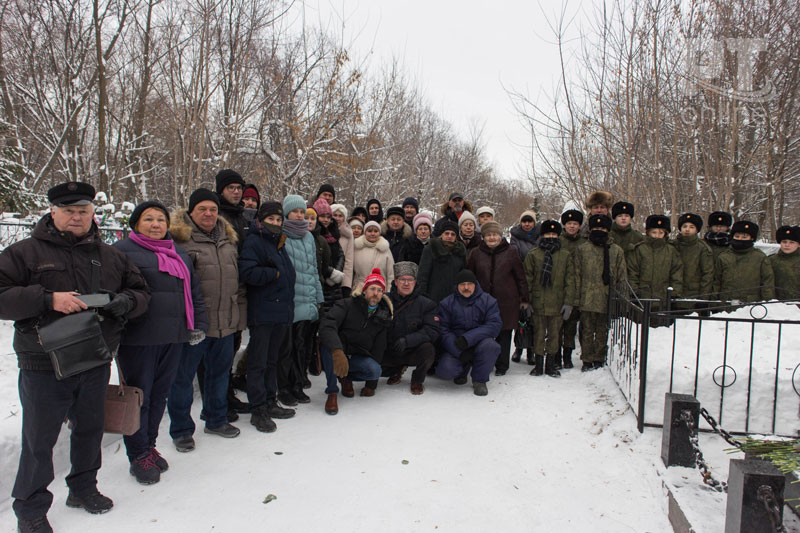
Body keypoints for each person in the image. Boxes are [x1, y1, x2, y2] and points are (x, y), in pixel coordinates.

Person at [0, 181, 149, 531]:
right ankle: (31, 509)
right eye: (68, 210)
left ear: (93, 213)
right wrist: (47, 299)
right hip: (43, 361)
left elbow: (140, 291)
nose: (76, 217)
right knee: (40, 439)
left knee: (89, 429)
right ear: (52, 212)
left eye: (83, 210)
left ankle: (83, 488)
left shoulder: (110, 255)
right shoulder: (24, 253)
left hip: (94, 357)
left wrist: (123, 302)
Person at [114, 201, 208, 485]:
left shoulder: (177, 253)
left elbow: (194, 291)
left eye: (160, 220)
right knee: (138, 398)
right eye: (148, 219)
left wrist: (198, 325)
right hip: (139, 338)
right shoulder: (122, 252)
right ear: (135, 224)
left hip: (173, 335)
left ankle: (149, 445)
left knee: (158, 396)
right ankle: (137, 454)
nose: (156, 224)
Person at [168, 188, 247, 450]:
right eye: (202, 209)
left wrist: (238, 316)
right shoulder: (179, 240)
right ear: (191, 211)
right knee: (183, 379)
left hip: (225, 321)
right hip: (194, 324)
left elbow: (239, 283)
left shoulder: (228, 239)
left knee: (219, 374)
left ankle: (216, 419)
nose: (208, 213)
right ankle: (181, 430)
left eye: (213, 209)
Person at [238, 201, 297, 433]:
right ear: (260, 221)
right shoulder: (255, 241)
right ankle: (258, 407)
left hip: (281, 311)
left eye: (278, 220)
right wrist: (273, 273)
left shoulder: (279, 242)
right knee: (258, 362)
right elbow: (247, 271)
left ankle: (270, 400)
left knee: (272, 360)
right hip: (263, 312)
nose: (275, 223)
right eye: (270, 219)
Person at [319, 268, 393, 414]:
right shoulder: (347, 304)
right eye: (372, 288)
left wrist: (371, 386)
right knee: (328, 349)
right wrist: (337, 350)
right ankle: (332, 392)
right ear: (364, 290)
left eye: (380, 290)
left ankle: (345, 377)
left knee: (375, 370)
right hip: (338, 350)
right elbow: (327, 324)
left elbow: (379, 348)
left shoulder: (383, 316)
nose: (375, 293)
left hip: (357, 355)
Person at [277, 195, 325, 406]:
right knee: (285, 348)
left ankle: (297, 384)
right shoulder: (281, 235)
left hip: (307, 299)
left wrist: (318, 297)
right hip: (289, 301)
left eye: (302, 212)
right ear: (287, 213)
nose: (299, 215)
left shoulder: (308, 237)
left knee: (301, 346)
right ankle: (284, 387)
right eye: (295, 211)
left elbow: (314, 270)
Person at [466, 221, 529, 376]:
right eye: (488, 235)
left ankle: (502, 365)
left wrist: (524, 299)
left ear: (500, 236)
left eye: (495, 234)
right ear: (484, 237)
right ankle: (483, 361)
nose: (492, 237)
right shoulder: (475, 253)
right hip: (481, 301)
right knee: (482, 333)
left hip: (506, 301)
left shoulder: (511, 252)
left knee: (504, 334)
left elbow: (520, 277)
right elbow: (469, 276)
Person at [573, 214, 627, 371]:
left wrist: (620, 298)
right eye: (596, 228)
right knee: (587, 330)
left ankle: (599, 357)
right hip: (587, 297)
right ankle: (587, 359)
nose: (599, 231)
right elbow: (576, 275)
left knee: (602, 330)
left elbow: (621, 276)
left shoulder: (616, 251)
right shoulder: (582, 250)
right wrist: (576, 298)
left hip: (606, 297)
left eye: (602, 228)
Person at [435, 270, 503, 396]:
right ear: (457, 286)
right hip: (457, 344)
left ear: (475, 284)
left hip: (480, 343)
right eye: (462, 284)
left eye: (469, 284)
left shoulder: (488, 301)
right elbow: (443, 329)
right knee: (445, 371)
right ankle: (462, 370)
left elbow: (494, 325)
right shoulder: (447, 303)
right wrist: (458, 350)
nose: (466, 288)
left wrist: (468, 339)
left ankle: (479, 380)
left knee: (491, 346)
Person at [524, 220, 575, 377]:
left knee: (554, 335)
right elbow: (527, 279)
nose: (550, 237)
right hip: (538, 302)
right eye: (547, 234)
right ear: (542, 235)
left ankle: (551, 365)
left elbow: (570, 280)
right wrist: (527, 301)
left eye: (553, 234)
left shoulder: (565, 256)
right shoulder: (533, 255)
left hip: (557, 303)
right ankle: (538, 364)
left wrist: (569, 302)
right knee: (538, 334)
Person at [382, 262, 440, 394]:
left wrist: (407, 341)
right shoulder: (383, 301)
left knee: (428, 350)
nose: (406, 283)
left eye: (410, 280)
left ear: (415, 282)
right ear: (396, 282)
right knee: (373, 366)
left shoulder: (426, 304)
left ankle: (417, 380)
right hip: (390, 349)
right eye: (402, 279)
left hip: (413, 349)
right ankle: (395, 370)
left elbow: (432, 330)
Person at [627, 215, 683, 326]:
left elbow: (676, 273)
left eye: (661, 233)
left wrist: (674, 292)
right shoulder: (639, 250)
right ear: (648, 232)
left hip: (663, 300)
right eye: (654, 232)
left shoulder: (671, 251)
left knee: (661, 334)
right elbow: (632, 272)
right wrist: (634, 292)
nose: (657, 236)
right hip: (642, 300)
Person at [714, 220, 774, 303]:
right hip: (726, 303)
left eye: (744, 237)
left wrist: (767, 304)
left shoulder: (760, 258)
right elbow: (716, 282)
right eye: (737, 236)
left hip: (751, 306)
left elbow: (767, 283)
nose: (740, 239)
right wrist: (714, 304)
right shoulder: (724, 256)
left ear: (752, 238)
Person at [556, 209, 586, 368]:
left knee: (570, 326)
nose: (572, 226)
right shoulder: (559, 241)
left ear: (579, 225)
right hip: (560, 287)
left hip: (578, 287)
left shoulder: (584, 243)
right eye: (569, 224)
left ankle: (567, 356)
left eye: (575, 224)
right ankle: (556, 355)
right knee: (558, 326)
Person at [417, 220, 467, 303]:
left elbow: (463, 275)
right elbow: (423, 275)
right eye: (447, 233)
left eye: (453, 234)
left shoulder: (460, 252)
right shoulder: (431, 249)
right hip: (433, 297)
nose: (449, 236)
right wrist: (423, 297)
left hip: (454, 298)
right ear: (441, 235)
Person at [671, 213, 714, 310]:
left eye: (691, 227)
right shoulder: (672, 245)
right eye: (684, 226)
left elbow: (707, 275)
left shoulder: (703, 248)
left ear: (696, 230)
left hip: (693, 295)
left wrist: (703, 299)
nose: (687, 229)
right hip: (672, 294)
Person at [352, 220, 394, 291]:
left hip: (379, 289)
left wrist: (389, 292)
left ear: (379, 233)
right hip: (359, 289)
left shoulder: (385, 249)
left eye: (375, 231)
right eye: (369, 231)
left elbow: (391, 274)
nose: (373, 234)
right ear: (365, 232)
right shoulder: (357, 247)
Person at [215, 169, 248, 251]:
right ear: (221, 191)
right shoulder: (215, 215)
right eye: (231, 187)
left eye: (239, 188)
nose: (236, 191)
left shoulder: (242, 215)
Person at [769, 226, 800, 300]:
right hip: (776, 304)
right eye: (784, 242)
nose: (787, 245)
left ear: (798, 244)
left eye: (792, 242)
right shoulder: (771, 260)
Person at [331, 203, 354, 297]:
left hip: (341, 276)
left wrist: (346, 284)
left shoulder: (348, 235)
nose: (337, 218)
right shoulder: (325, 231)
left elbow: (349, 260)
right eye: (335, 215)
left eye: (340, 216)